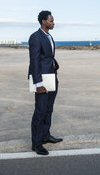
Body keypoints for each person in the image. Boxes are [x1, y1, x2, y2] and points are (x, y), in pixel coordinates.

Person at [28, 10, 63, 155]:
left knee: (49, 109)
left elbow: (48, 57)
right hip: (42, 80)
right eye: (51, 20)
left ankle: (45, 135)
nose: (53, 22)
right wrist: (38, 84)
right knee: (40, 110)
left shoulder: (49, 36)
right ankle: (36, 144)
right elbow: (34, 61)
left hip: (52, 76)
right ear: (43, 21)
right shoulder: (35, 37)